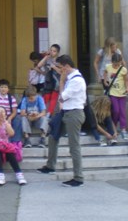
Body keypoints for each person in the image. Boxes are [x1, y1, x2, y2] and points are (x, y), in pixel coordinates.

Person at [37, 55, 86, 187]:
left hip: (74, 113)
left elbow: (62, 97)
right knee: (53, 135)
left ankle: (78, 177)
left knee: (74, 146)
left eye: (59, 67)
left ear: (66, 66)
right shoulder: (71, 78)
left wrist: (62, 81)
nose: (58, 70)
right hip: (65, 112)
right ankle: (50, 165)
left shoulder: (77, 80)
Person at [0, 107, 27, 186]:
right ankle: (0, 175)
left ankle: (19, 174)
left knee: (9, 150)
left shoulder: (6, 124)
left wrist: (5, 121)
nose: (0, 113)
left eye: (2, 112)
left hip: (6, 147)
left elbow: (12, 133)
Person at [103, 52, 128, 139]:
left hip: (122, 93)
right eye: (115, 64)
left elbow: (126, 80)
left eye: (118, 64)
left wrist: (127, 88)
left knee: (122, 112)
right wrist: (105, 80)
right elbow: (105, 73)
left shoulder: (123, 70)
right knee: (115, 110)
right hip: (112, 93)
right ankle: (113, 126)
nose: (117, 66)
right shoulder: (108, 67)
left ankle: (123, 129)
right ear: (112, 62)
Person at [37, 44, 62, 115]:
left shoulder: (60, 60)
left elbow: (61, 72)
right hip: (48, 82)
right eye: (51, 50)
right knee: (46, 98)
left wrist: (54, 67)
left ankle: (50, 114)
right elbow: (39, 65)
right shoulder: (47, 59)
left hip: (56, 83)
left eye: (54, 51)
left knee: (53, 99)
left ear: (57, 52)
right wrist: (46, 57)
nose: (52, 52)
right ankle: (43, 113)